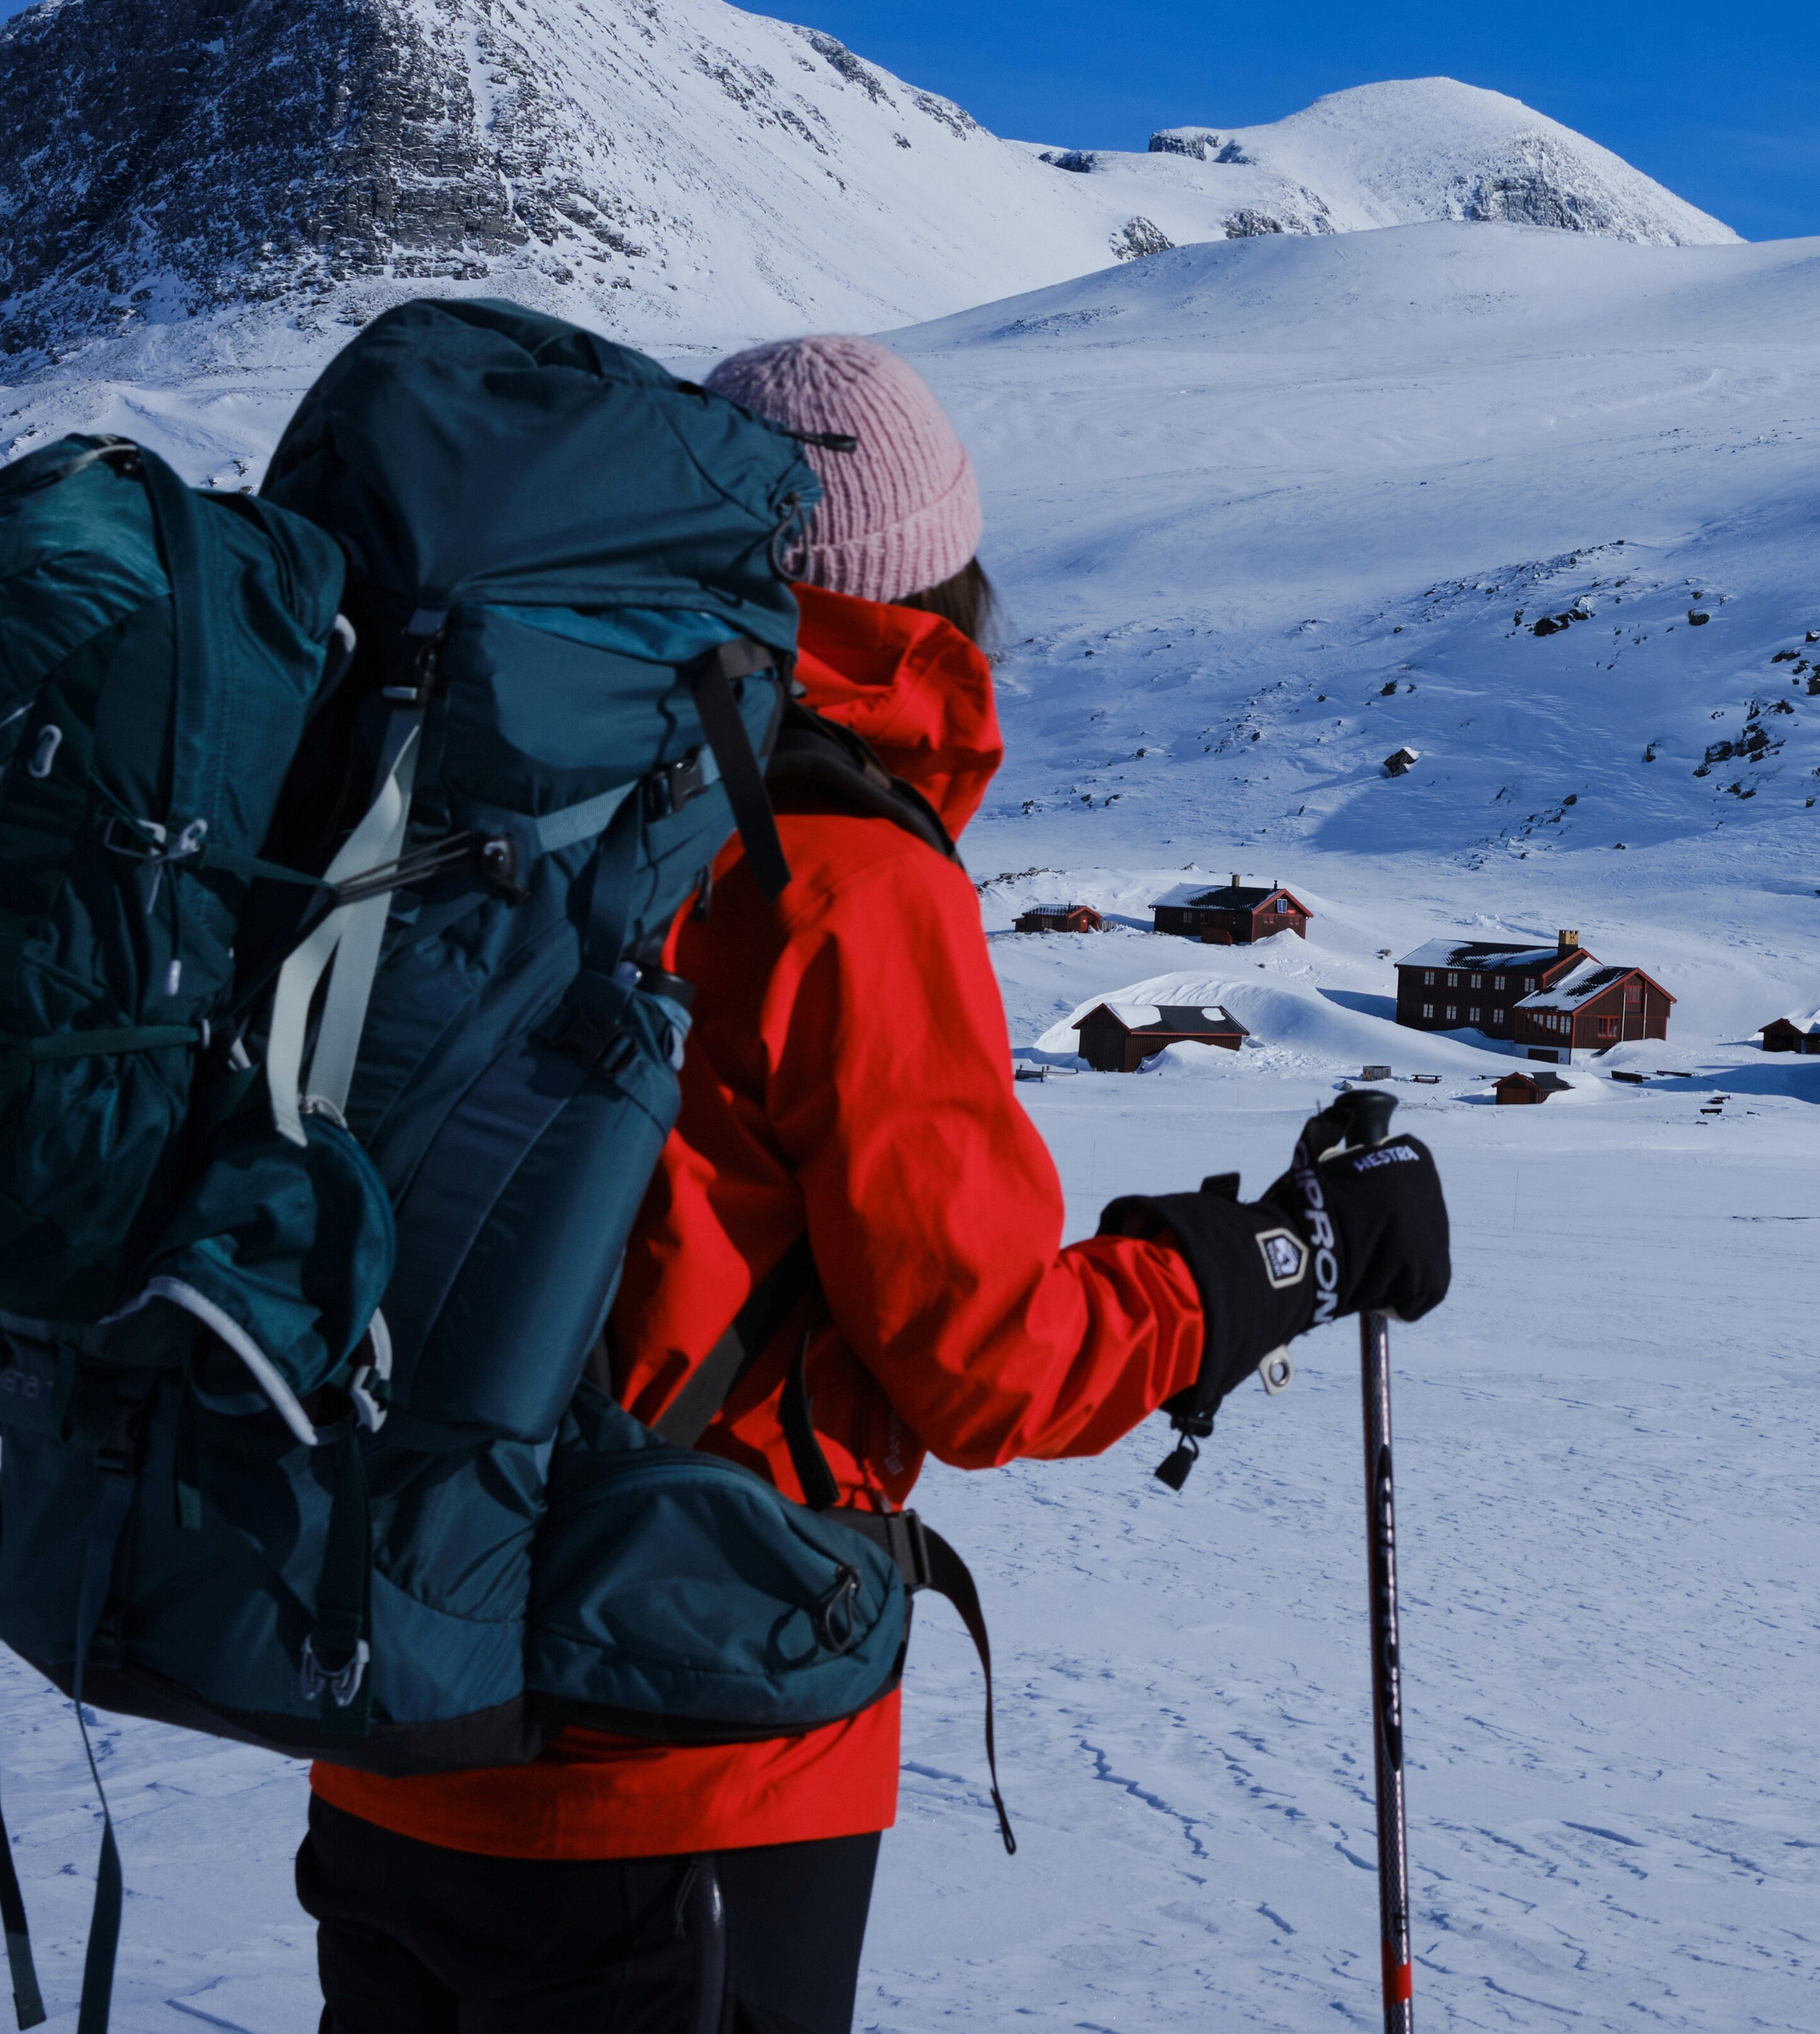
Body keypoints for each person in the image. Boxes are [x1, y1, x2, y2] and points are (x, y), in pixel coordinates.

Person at [294, 333, 1451, 2032]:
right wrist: (1275, 1258)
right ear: (935, 593)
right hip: (679, 1751)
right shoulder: (838, 876)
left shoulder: (483, 793)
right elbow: (983, 1358)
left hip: (386, 1703)